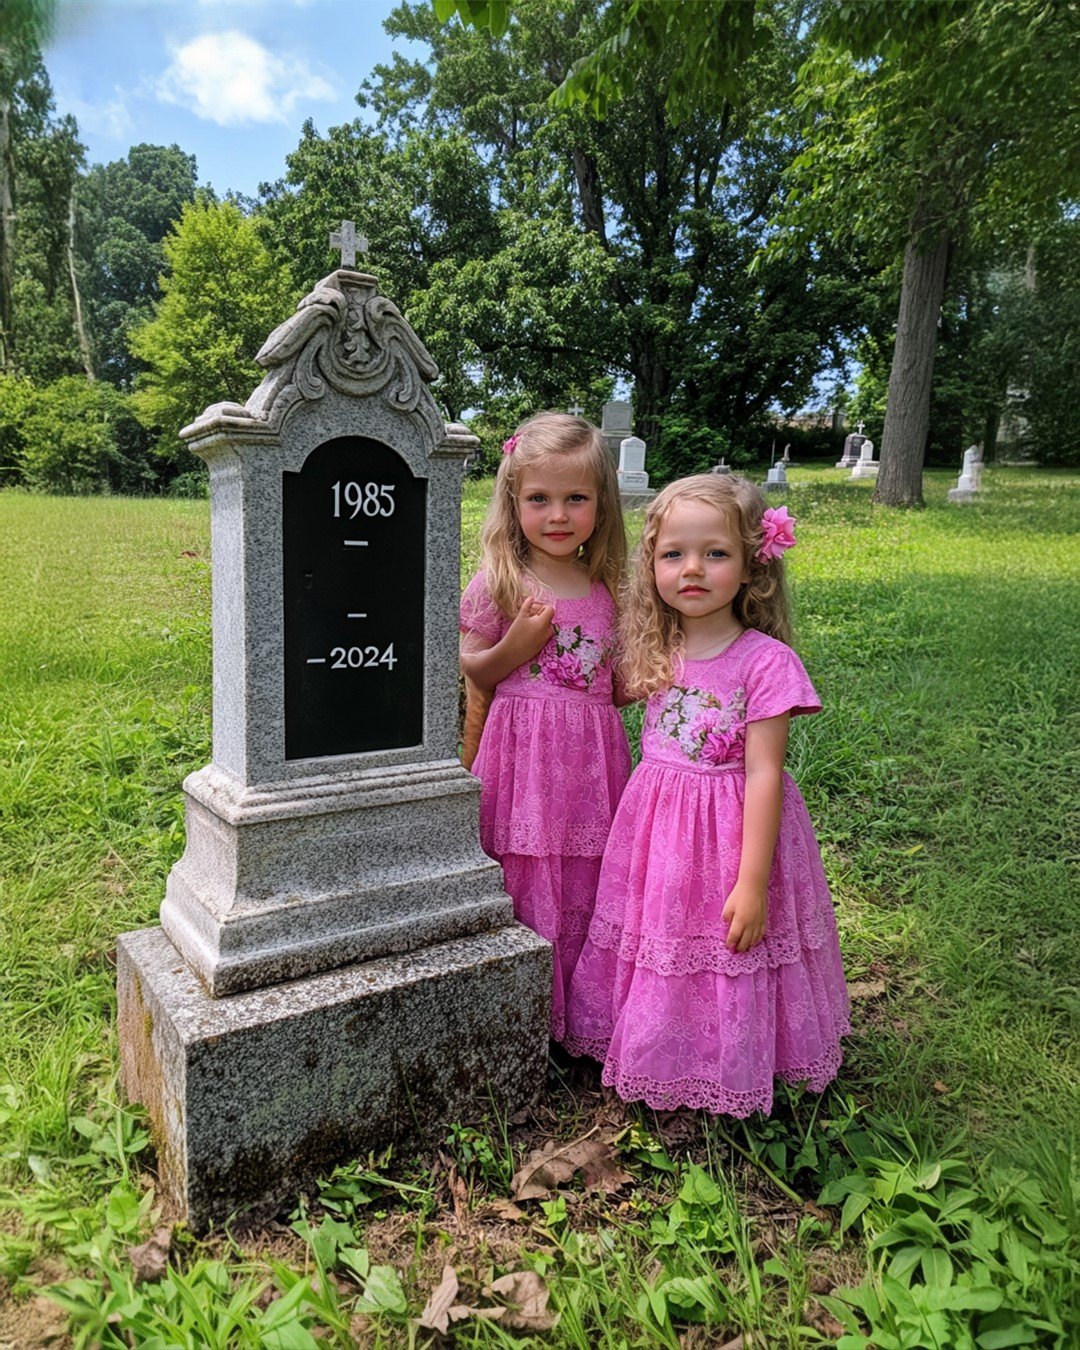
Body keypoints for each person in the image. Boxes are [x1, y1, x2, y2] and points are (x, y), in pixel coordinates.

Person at [565, 474, 850, 1115]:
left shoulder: (765, 661)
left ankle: (732, 1058)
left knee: (728, 944)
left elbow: (765, 774)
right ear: (653, 566)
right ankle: (664, 1044)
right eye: (673, 554)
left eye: (715, 553)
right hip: (660, 832)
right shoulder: (655, 648)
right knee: (662, 937)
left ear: (753, 566)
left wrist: (751, 883)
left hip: (731, 833)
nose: (692, 569)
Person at [460, 412, 631, 1040]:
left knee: (586, 874)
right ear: (513, 502)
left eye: (575, 498)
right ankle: (516, 1014)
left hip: (590, 764)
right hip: (522, 759)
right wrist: (520, 645)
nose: (558, 514)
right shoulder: (500, 582)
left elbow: (615, 685)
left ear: (600, 504)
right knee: (527, 870)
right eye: (540, 498)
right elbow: (475, 672)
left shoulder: (608, 587)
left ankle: (579, 1014)